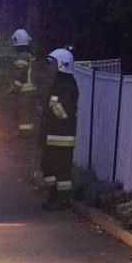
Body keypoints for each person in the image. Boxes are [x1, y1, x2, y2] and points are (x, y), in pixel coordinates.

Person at [39, 47, 78, 210]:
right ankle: (53, 195)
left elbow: (63, 111)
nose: (50, 67)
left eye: (53, 63)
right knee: (47, 166)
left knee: (62, 170)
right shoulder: (58, 83)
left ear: (62, 64)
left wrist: (49, 108)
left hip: (63, 136)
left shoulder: (68, 85)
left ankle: (63, 200)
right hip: (52, 134)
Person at [9, 28, 37, 135]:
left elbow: (21, 74)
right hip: (30, 90)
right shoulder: (29, 55)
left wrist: (14, 87)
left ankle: (24, 135)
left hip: (24, 91)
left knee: (23, 113)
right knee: (28, 113)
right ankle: (27, 133)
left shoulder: (22, 56)